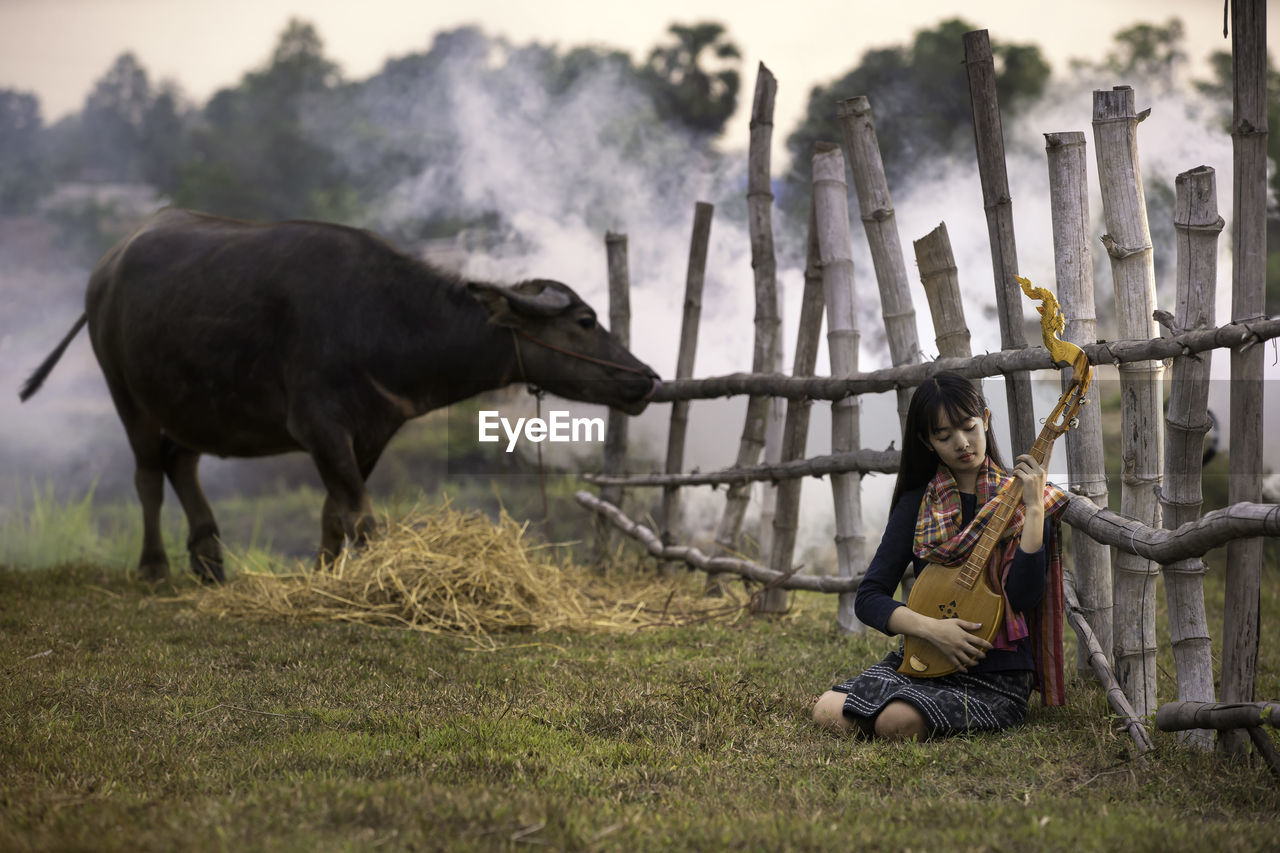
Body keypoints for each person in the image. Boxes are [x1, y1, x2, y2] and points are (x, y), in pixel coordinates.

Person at [812, 372, 1069, 740]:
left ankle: (906, 711)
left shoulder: (1019, 500)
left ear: (986, 419)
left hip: (995, 674)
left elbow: (1023, 598)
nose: (962, 443)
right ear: (927, 442)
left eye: (969, 427)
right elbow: (869, 598)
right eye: (944, 436)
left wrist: (1034, 513)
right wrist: (934, 630)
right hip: (923, 658)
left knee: (894, 722)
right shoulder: (918, 502)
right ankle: (905, 703)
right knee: (826, 710)